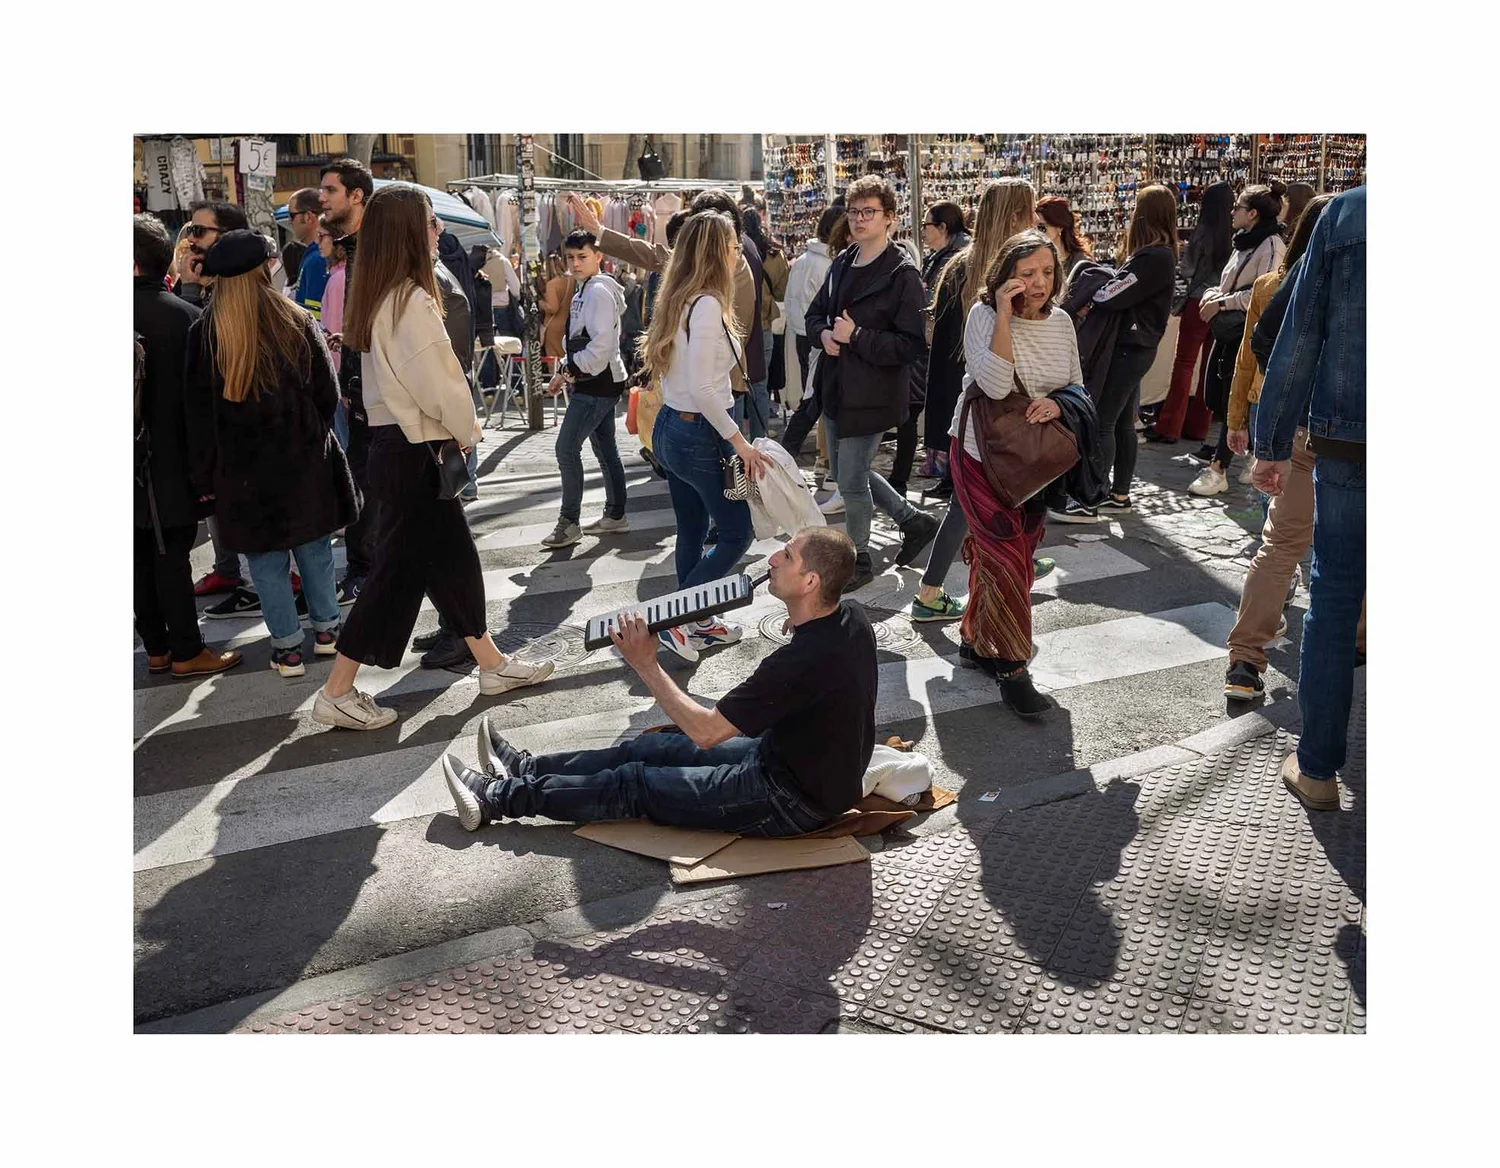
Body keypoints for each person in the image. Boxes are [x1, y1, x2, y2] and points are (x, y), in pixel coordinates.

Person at [441, 528, 874, 836]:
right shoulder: (848, 616)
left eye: (788, 556)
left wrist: (646, 664)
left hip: (789, 800)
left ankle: (496, 798)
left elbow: (706, 732)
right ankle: (527, 770)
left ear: (811, 581)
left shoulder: (800, 662)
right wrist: (798, 616)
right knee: (650, 748)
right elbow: (824, 649)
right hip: (784, 761)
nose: (773, 559)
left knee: (635, 784)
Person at [313, 184, 554, 731]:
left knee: (453, 559)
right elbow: (439, 381)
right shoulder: (409, 298)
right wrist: (467, 431)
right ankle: (337, 689)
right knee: (394, 574)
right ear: (407, 233)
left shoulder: (380, 293)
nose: (438, 230)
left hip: (400, 446)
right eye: (430, 222)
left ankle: (491, 663)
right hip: (415, 448)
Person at [182, 230, 354, 679]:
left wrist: (204, 475)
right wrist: (308, 431)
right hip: (302, 459)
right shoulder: (295, 320)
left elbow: (197, 414)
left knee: (265, 561)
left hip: (242, 470)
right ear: (262, 270)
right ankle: (328, 632)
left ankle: (287, 649)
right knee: (314, 549)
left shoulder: (206, 334)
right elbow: (327, 393)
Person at [1222, 196, 1366, 701]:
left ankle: (1245, 659)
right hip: (1349, 431)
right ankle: (1357, 641)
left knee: (1281, 543)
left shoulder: (1277, 283)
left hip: (1303, 425)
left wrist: (1259, 427)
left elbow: (1258, 350)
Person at [1250, 186, 1366, 813]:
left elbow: (1299, 337)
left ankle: (1318, 769)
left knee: (1335, 595)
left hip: (1351, 440)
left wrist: (1271, 443)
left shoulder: (1347, 214)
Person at [948, 231, 1082, 718]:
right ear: (1005, 277)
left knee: (1015, 556)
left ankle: (974, 638)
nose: (1039, 282)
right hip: (979, 455)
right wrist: (1004, 316)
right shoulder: (982, 316)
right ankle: (1012, 667)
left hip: (1036, 464)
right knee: (1005, 557)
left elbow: (1076, 385)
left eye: (1047, 272)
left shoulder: (1062, 322)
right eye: (1027, 273)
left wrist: (1058, 404)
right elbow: (995, 384)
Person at [644, 210, 772, 662]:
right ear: (719, 251)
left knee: (693, 531)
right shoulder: (706, 305)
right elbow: (704, 388)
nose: (739, 252)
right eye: (734, 245)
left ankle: (696, 622)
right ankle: (679, 620)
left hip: (673, 427)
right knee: (737, 533)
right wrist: (740, 442)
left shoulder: (679, 298)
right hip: (698, 431)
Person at [803, 175, 940, 592]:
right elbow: (815, 314)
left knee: (849, 480)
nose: (860, 219)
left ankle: (859, 558)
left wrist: (857, 336)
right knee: (850, 471)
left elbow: (911, 345)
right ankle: (912, 521)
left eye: (869, 212)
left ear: (890, 219)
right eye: (854, 212)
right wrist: (824, 335)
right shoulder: (843, 262)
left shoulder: (902, 274)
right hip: (836, 387)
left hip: (873, 394)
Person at [133, 214, 243, 680]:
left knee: (137, 555)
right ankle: (185, 649)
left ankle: (156, 648)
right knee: (171, 556)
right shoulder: (186, 318)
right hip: (174, 459)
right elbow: (209, 400)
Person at [1056, 183, 1178, 521]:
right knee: (1123, 421)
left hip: (1129, 349)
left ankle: (1090, 500)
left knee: (1103, 421)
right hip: (1137, 348)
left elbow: (1111, 294)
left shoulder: (1153, 257)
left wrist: (1096, 291)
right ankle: (1119, 494)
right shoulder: (1159, 256)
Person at [925, 179, 1037, 503]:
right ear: (1015, 217)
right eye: (1030, 211)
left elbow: (943, 360)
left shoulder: (958, 267)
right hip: (1008, 409)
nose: (1036, 220)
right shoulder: (1018, 271)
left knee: (970, 506)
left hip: (971, 411)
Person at [177, 201, 262, 607]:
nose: (191, 240)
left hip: (245, 426)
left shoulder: (240, 288)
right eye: (189, 231)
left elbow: (200, 344)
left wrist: (190, 291)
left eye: (200, 231)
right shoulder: (206, 282)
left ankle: (261, 584)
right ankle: (230, 570)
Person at [1189, 181, 1287, 496]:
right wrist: (1212, 296)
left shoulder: (1271, 245)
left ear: (1253, 213)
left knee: (1237, 396)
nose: (1232, 212)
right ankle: (1249, 455)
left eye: (1238, 207)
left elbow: (1264, 294)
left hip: (1247, 332)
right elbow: (1227, 284)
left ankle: (1218, 468)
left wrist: (1221, 303)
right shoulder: (1242, 242)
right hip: (1227, 330)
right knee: (1218, 393)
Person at [539, 228, 630, 549]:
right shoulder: (586, 289)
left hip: (597, 383)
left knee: (566, 449)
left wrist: (568, 370)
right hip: (597, 380)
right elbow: (580, 339)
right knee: (605, 450)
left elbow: (600, 347)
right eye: (570, 257)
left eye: (582, 256)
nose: (575, 263)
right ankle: (615, 514)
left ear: (598, 256)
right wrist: (564, 372)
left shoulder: (598, 291)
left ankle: (569, 522)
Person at [319, 157, 377, 605]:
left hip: (382, 397)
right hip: (361, 393)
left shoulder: (375, 250)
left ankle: (367, 571)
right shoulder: (354, 249)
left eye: (330, 191)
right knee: (365, 486)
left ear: (356, 196)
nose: (322, 199)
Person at [1148, 182, 1234, 446]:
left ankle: (1170, 426)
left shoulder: (1203, 232)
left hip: (1198, 302)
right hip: (1221, 304)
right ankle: (1199, 427)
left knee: (1184, 364)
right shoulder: (1236, 234)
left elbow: (1187, 269)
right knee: (1209, 366)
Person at [780, 206, 847, 465]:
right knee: (815, 400)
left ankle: (803, 453)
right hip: (819, 339)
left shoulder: (805, 260)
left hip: (804, 335)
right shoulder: (827, 265)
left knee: (813, 398)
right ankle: (790, 452)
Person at [285, 188, 328, 320]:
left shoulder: (317, 259)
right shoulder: (314, 255)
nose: (289, 221)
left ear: (308, 216)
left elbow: (315, 319)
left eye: (292, 215)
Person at [1034, 195, 1093, 285]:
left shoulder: (1081, 264)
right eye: (1033, 228)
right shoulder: (1034, 259)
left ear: (1059, 227)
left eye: (1041, 227)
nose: (1036, 232)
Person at [538, 253, 575, 360]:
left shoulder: (552, 284)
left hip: (553, 326)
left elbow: (553, 308)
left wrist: (540, 303)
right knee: (565, 357)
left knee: (553, 359)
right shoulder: (572, 280)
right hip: (569, 323)